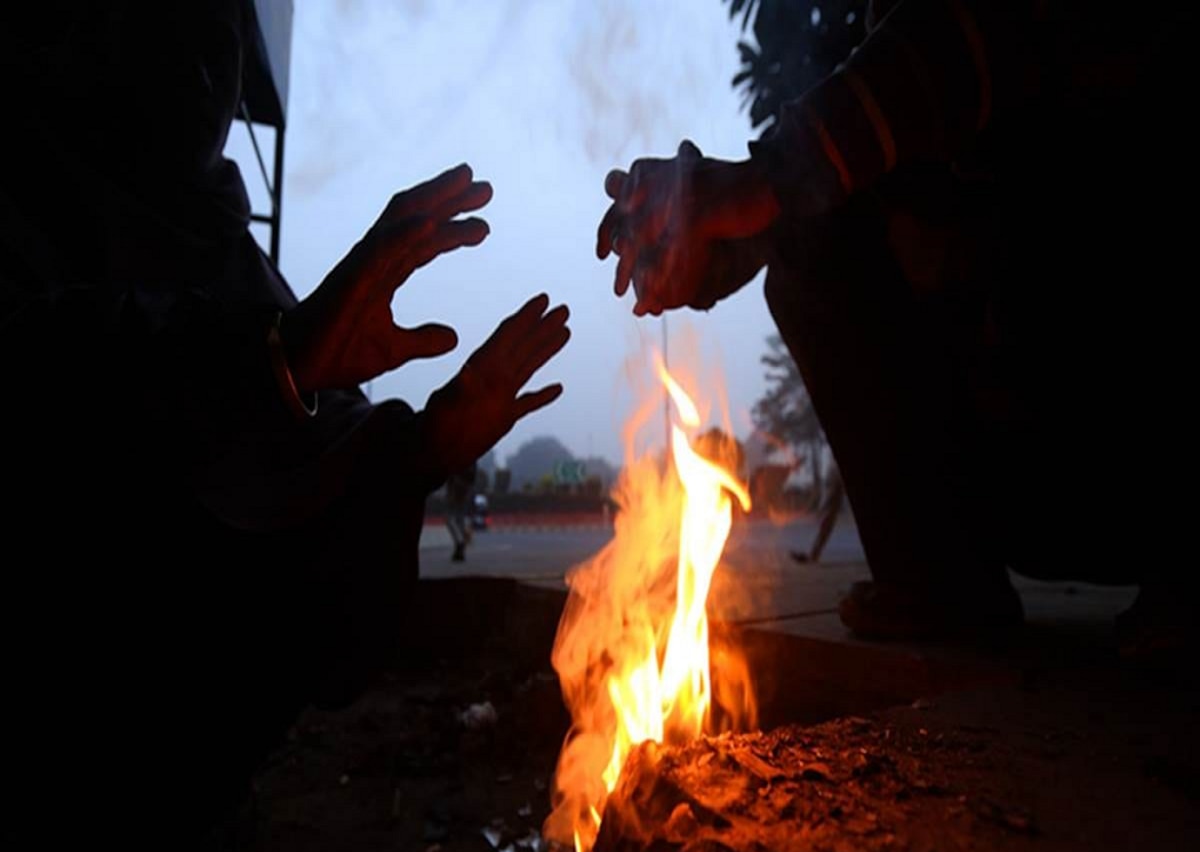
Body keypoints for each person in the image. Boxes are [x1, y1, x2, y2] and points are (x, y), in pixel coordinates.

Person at [1, 1, 569, 852]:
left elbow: (311, 455)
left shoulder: (218, 242)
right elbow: (57, 398)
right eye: (172, 26)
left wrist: (421, 446)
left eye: (221, 38)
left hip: (193, 808)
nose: (204, 72)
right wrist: (274, 361)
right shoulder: (16, 196)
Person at [595, 0, 1191, 651]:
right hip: (1048, 476)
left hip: (1139, 435)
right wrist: (709, 250)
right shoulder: (907, 72)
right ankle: (944, 581)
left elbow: (974, 40)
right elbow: (858, 182)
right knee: (814, 236)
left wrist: (762, 179)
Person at [791, 455, 844, 565]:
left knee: (824, 529)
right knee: (824, 529)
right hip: (831, 503)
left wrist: (822, 508)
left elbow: (832, 492)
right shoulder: (832, 472)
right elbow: (831, 490)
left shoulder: (833, 473)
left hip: (832, 504)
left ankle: (813, 555)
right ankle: (813, 555)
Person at [446, 461, 478, 561]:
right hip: (464, 488)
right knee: (459, 520)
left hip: (459, 488)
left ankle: (460, 543)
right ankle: (461, 544)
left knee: (451, 519)